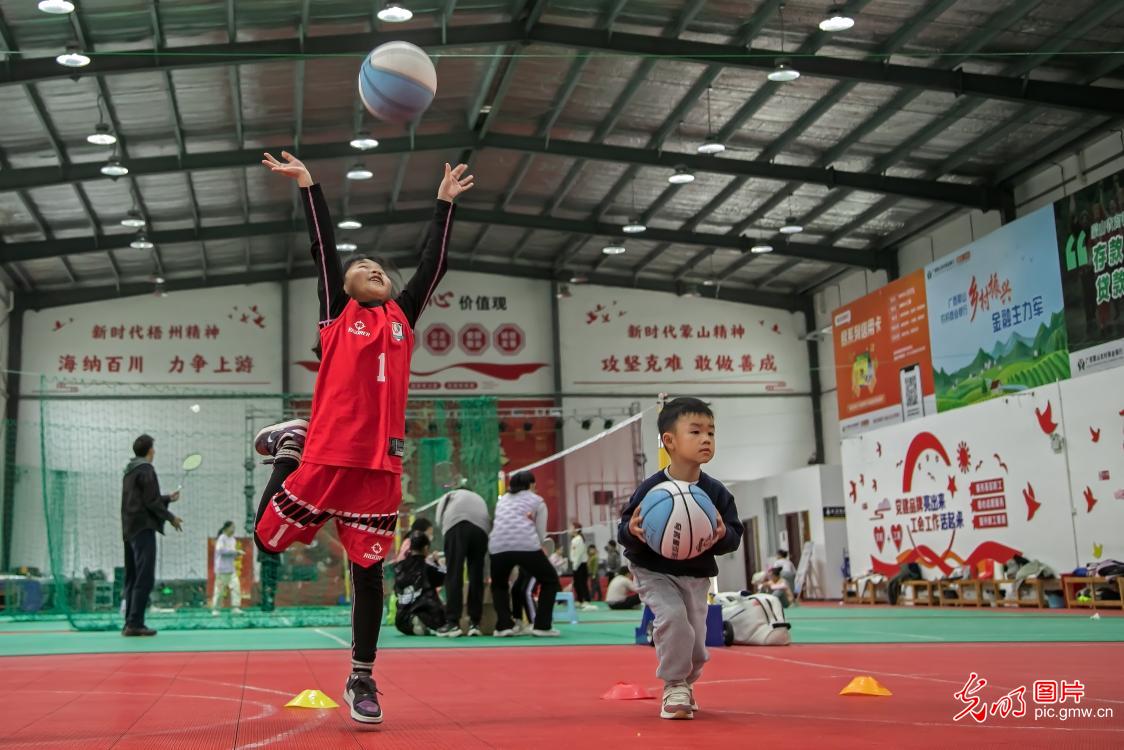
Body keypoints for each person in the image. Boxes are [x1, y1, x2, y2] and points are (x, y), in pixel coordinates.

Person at [252, 150, 471, 725]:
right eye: (363, 266)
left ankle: (362, 677)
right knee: (268, 541)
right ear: (345, 284)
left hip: (379, 470)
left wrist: (444, 204)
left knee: (370, 571)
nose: (374, 268)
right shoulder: (334, 314)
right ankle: (289, 448)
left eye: (380, 267)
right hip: (326, 456)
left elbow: (434, 265)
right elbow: (322, 247)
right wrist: (309, 186)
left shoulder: (402, 316)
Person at [619, 397, 743, 720]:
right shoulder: (653, 490)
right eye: (696, 431)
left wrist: (721, 535)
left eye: (711, 433)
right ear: (669, 441)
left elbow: (734, 534)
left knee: (698, 646)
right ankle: (673, 684)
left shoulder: (716, 493)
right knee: (673, 619)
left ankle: (686, 682)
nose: (706, 439)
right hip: (653, 570)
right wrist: (632, 529)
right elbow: (625, 527)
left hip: (696, 575)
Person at [120, 434, 182, 637]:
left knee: (131, 577)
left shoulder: (129, 471)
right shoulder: (147, 469)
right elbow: (151, 502)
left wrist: (167, 498)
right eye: (153, 448)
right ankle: (135, 623)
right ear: (149, 450)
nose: (154, 451)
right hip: (143, 529)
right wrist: (171, 517)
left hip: (129, 530)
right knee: (144, 577)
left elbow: (142, 499)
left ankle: (129, 622)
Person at [489, 471, 561, 637]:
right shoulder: (537, 501)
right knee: (550, 580)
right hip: (526, 545)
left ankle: (503, 626)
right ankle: (542, 625)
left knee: (499, 585)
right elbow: (541, 534)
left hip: (497, 546)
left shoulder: (502, 501)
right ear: (531, 485)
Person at [434, 480, 491, 637]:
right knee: (476, 575)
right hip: (481, 530)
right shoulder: (479, 498)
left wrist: (447, 534)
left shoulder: (450, 495)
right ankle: (475, 624)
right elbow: (487, 518)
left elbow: (439, 519)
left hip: (455, 525)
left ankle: (453, 623)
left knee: (454, 574)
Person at [393, 530, 447, 635]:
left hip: (400, 620)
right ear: (426, 548)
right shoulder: (427, 567)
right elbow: (445, 577)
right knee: (443, 617)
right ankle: (420, 621)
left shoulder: (399, 567)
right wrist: (438, 562)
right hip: (426, 613)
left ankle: (414, 623)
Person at [211, 521, 244, 615]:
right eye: (232, 527)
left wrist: (236, 554)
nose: (234, 529)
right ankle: (216, 609)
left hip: (231, 569)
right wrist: (235, 552)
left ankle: (235, 607)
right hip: (221, 569)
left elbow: (231, 553)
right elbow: (221, 550)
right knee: (219, 590)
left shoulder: (233, 540)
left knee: (236, 588)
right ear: (226, 528)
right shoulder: (221, 538)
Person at [569, 523, 596, 611]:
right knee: (577, 583)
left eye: (571, 528)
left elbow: (579, 554)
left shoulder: (578, 539)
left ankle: (586, 600)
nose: (570, 529)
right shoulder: (575, 539)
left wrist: (575, 565)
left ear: (576, 529)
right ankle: (580, 600)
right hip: (577, 564)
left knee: (582, 583)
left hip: (579, 564)